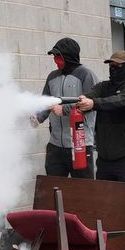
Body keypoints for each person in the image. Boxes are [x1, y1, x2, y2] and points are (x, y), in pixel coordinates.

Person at [76, 51, 125, 183]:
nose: (113, 68)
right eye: (111, 65)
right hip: (104, 158)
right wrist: (84, 99)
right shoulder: (103, 86)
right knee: (105, 201)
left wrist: (93, 103)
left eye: (118, 66)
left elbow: (118, 101)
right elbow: (90, 95)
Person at [34, 37, 98, 178]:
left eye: (58, 56)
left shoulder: (86, 75)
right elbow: (46, 101)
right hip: (55, 144)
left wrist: (64, 110)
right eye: (55, 56)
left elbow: (90, 104)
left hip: (80, 144)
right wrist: (38, 117)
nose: (55, 60)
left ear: (68, 56)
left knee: (83, 190)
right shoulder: (52, 76)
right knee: (54, 188)